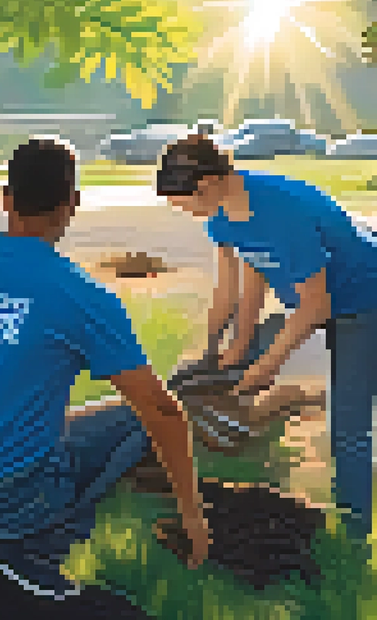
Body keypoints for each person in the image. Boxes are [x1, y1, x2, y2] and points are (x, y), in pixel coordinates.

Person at [0, 137, 208, 600]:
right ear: (72, 203)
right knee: (145, 417)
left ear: (6, 199)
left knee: (98, 415)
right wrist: (193, 516)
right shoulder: (77, 292)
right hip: (14, 498)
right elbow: (161, 410)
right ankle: (43, 546)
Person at [157, 134, 377, 546]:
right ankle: (245, 460)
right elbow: (241, 288)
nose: (181, 211)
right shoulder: (222, 215)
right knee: (219, 370)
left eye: (180, 201)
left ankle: (355, 537)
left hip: (363, 302)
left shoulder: (281, 213)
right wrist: (221, 350)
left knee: (349, 427)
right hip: (316, 300)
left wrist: (265, 367)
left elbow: (316, 306)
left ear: (203, 185)